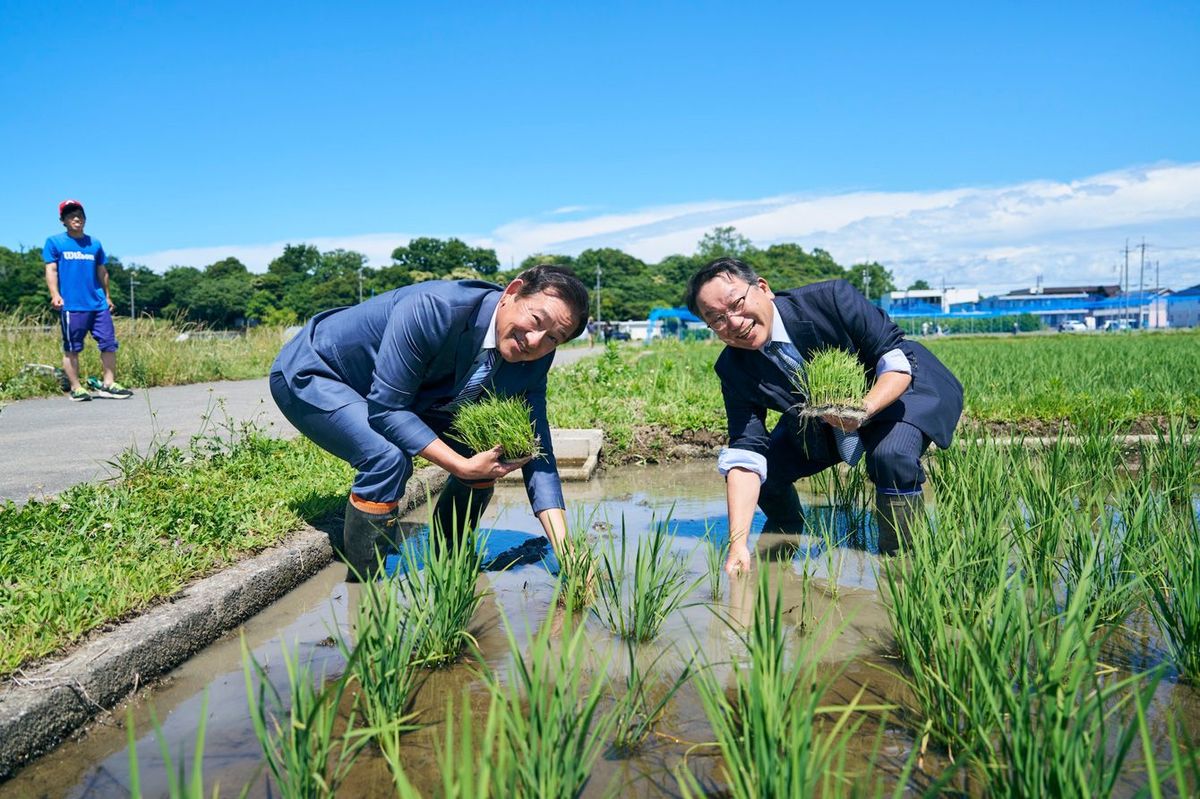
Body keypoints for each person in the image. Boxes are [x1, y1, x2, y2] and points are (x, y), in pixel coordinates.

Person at [269, 264, 589, 580]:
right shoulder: (436, 308)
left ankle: (449, 558)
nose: (536, 341)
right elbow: (386, 409)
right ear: (512, 292)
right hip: (318, 371)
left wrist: (566, 551)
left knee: (487, 450)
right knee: (387, 458)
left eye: (553, 338)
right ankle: (367, 579)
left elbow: (538, 447)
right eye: (536, 321)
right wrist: (460, 467)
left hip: (408, 393)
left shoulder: (535, 356)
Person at [684, 258, 963, 573]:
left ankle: (903, 562)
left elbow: (894, 357)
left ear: (762, 288)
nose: (733, 322)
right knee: (769, 474)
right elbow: (746, 450)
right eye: (717, 319)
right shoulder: (733, 368)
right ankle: (786, 532)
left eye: (736, 304)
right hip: (824, 416)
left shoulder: (830, 298)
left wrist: (864, 409)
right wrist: (738, 543)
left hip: (901, 388)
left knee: (891, 455)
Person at [43, 200, 133, 401]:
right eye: (70, 215)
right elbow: (51, 269)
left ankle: (108, 384)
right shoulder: (54, 242)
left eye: (79, 215)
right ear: (63, 221)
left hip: (98, 303)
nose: (76, 218)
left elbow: (102, 271)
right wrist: (55, 294)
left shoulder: (95, 244)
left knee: (109, 343)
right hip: (72, 304)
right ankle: (76, 388)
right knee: (72, 348)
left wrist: (107, 296)